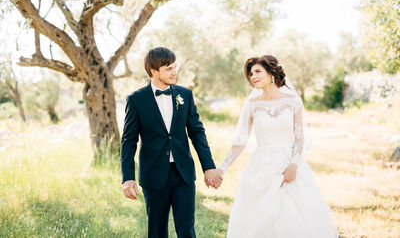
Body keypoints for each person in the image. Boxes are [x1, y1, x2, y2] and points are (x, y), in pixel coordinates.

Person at [218, 55, 338, 238]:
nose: (253, 76)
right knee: (259, 218)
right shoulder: (252, 104)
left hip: (288, 164)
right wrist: (222, 169)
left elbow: (299, 138)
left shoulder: (292, 101)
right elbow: (240, 141)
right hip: (260, 167)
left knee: (293, 217)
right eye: (251, 74)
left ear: (272, 73)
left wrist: (294, 164)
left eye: (258, 71)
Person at [120, 47, 223, 238]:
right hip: (153, 174)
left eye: (174, 67)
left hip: (183, 173)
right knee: (157, 230)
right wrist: (128, 177)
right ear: (153, 71)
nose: (174, 72)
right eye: (168, 68)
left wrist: (208, 166)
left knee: (186, 229)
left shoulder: (185, 94)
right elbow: (128, 141)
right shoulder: (136, 100)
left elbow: (197, 133)